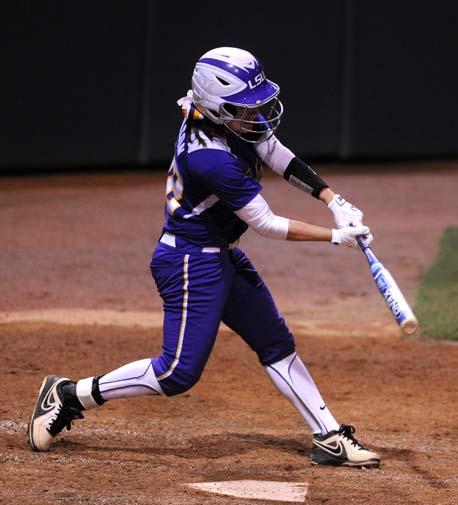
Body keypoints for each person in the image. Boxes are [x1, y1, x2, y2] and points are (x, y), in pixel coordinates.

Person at [28, 47, 380, 468]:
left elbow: (275, 151)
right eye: (243, 108)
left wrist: (332, 198)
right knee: (176, 373)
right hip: (190, 263)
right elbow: (266, 223)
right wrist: (335, 236)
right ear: (216, 107)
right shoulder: (209, 158)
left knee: (276, 343)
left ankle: (328, 436)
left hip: (222, 255)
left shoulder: (225, 118)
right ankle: (69, 395)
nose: (255, 115)